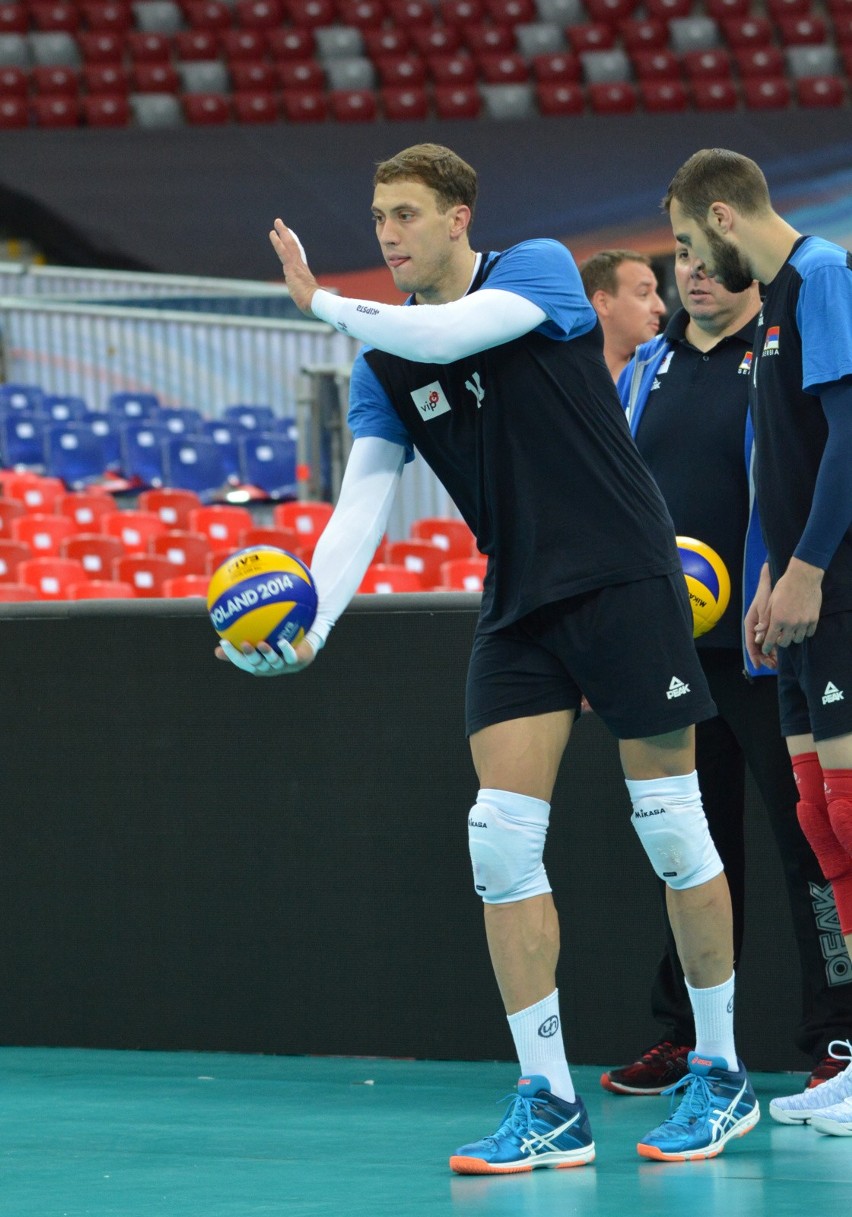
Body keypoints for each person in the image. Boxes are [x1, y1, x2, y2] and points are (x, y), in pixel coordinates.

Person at [218, 143, 759, 1168]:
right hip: (519, 598)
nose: (388, 233)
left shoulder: (538, 272)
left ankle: (722, 1072)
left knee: (675, 830)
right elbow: (361, 502)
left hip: (628, 576)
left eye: (408, 215)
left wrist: (326, 302)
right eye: (379, 216)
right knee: (500, 843)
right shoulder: (387, 363)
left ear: (461, 217)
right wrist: (312, 623)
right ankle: (548, 1098)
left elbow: (461, 330)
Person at [587, 244, 852, 1098]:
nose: (693, 275)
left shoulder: (774, 355)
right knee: (690, 853)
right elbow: (618, 502)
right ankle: (693, 1039)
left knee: (811, 846)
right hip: (671, 656)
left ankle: (839, 1037)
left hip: (770, 651)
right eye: (683, 262)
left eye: (709, 259)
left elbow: (804, 478)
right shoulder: (646, 369)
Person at [664, 147, 852, 1136]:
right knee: (822, 823)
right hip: (795, 599)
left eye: (694, 243)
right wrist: (774, 564)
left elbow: (850, 433)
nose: (688, 265)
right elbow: (785, 454)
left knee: (848, 821)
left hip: (838, 594)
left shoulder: (822, 277)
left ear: (726, 217)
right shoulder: (780, 297)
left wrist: (811, 563)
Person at [578, 250, 666, 381]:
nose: (660, 308)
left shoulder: (664, 380)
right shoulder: (561, 380)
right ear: (603, 303)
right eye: (643, 293)